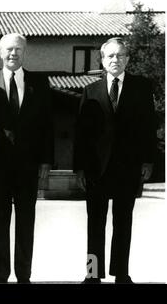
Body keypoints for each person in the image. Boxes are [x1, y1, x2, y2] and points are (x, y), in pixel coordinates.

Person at [74, 37, 157, 284]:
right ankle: (93, 274)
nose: (115, 60)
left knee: (123, 223)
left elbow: (148, 127)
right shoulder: (91, 90)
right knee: (95, 225)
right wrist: (79, 167)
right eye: (110, 56)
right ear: (102, 59)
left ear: (127, 59)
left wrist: (148, 161)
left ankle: (121, 273)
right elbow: (81, 133)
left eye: (120, 55)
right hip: (96, 169)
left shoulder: (141, 88)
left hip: (128, 167)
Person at [0, 33, 54, 284]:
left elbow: (47, 126)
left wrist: (45, 161)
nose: (13, 54)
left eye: (18, 49)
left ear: (24, 52)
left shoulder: (40, 83)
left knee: (25, 222)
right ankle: (0, 276)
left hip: (28, 167)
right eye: (8, 49)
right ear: (0, 52)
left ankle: (24, 276)